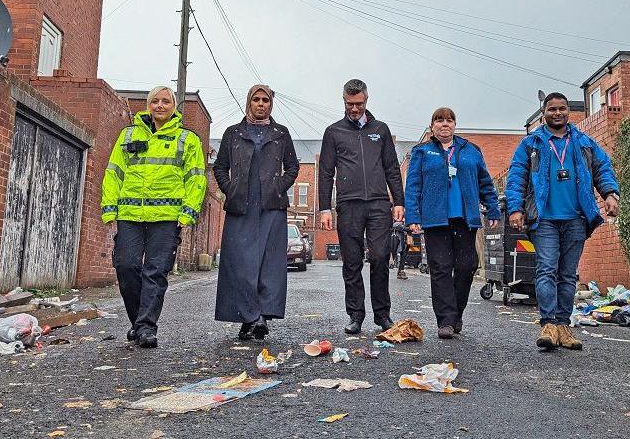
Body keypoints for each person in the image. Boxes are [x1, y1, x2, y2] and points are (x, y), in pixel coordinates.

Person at [505, 92, 620, 350]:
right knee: (546, 269)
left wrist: (610, 194)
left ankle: (563, 325)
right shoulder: (531, 144)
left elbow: (602, 169)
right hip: (544, 219)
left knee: (568, 275)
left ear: (569, 112)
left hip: (576, 218)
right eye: (552, 109)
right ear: (544, 113)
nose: (557, 113)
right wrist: (515, 209)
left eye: (562, 109)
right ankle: (548, 325)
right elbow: (516, 178)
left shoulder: (583, 142)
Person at [101, 85, 207, 348]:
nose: (160, 105)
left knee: (155, 272)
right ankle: (139, 321)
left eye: (166, 101)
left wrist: (188, 211)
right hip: (130, 214)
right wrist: (109, 208)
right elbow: (113, 172)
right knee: (126, 266)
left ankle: (146, 327)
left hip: (167, 216)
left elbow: (196, 178)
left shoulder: (187, 139)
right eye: (155, 101)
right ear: (148, 105)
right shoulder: (127, 135)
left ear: (174, 107)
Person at [405, 107, 501, 339]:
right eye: (439, 120)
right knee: (440, 268)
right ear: (432, 126)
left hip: (465, 219)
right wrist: (413, 217)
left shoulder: (471, 151)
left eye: (449, 120)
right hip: (435, 220)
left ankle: (457, 312)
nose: (444, 124)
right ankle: (446, 320)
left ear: (455, 125)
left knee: (467, 266)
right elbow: (413, 186)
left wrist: (493, 209)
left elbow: (485, 182)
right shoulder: (422, 152)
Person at [213, 85, 299, 340]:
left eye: (265, 100)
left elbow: (292, 167)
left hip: (271, 207)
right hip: (241, 207)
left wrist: (278, 187)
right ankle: (250, 317)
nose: (260, 104)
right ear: (248, 102)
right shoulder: (233, 133)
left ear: (271, 104)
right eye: (256, 100)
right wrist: (231, 190)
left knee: (267, 264)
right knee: (241, 264)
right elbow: (220, 168)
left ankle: (258, 315)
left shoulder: (281, 134)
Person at [318, 79, 404, 335]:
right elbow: (325, 172)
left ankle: (382, 315)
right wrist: (325, 208)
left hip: (379, 204)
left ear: (367, 100)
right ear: (343, 100)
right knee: (352, 261)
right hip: (348, 205)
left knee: (379, 257)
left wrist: (398, 201)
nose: (354, 109)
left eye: (359, 104)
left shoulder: (381, 130)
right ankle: (355, 315)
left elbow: (392, 167)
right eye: (349, 104)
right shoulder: (333, 132)